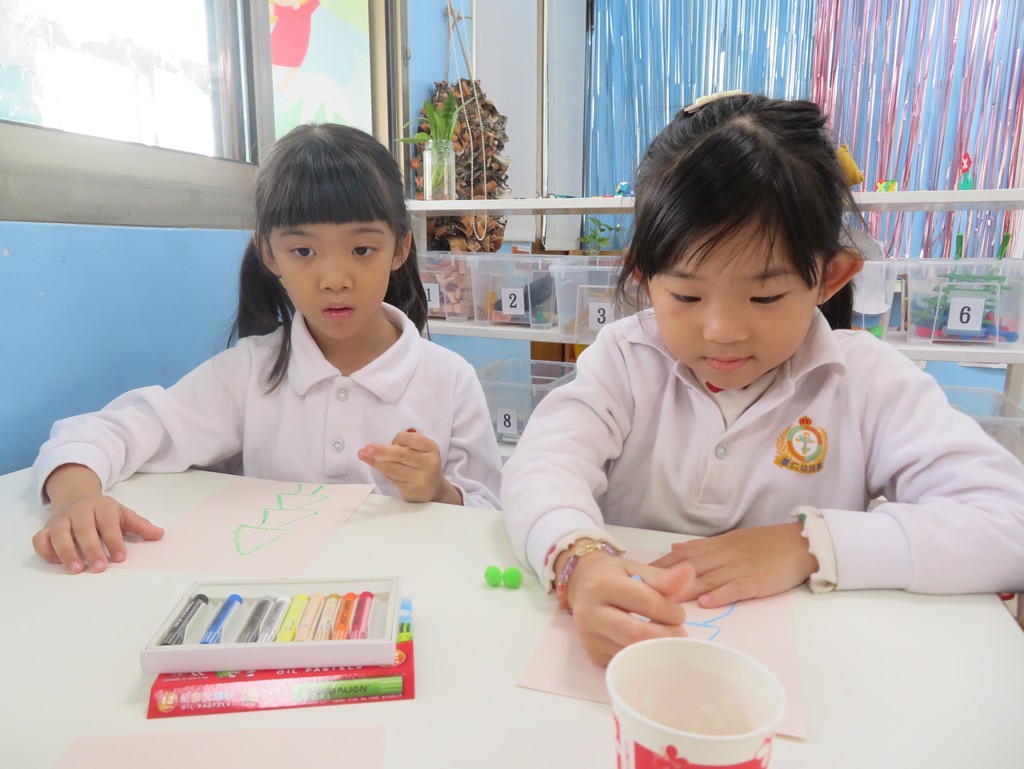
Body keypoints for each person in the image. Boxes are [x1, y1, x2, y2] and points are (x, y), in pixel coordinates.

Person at [502, 93, 1024, 666]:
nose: (722, 331)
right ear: (645, 277)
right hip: (636, 665)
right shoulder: (625, 359)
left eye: (766, 296)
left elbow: (1008, 522)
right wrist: (578, 558)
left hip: (808, 674)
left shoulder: (866, 381)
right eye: (687, 296)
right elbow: (541, 465)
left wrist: (809, 545)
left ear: (830, 277)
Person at [33, 123, 503, 575]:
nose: (334, 279)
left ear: (399, 249)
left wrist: (437, 491)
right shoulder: (248, 373)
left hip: (408, 592)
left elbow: (491, 515)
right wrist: (76, 497)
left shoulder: (449, 378)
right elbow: (102, 433)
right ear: (269, 254)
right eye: (303, 251)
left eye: (362, 250)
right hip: (278, 601)